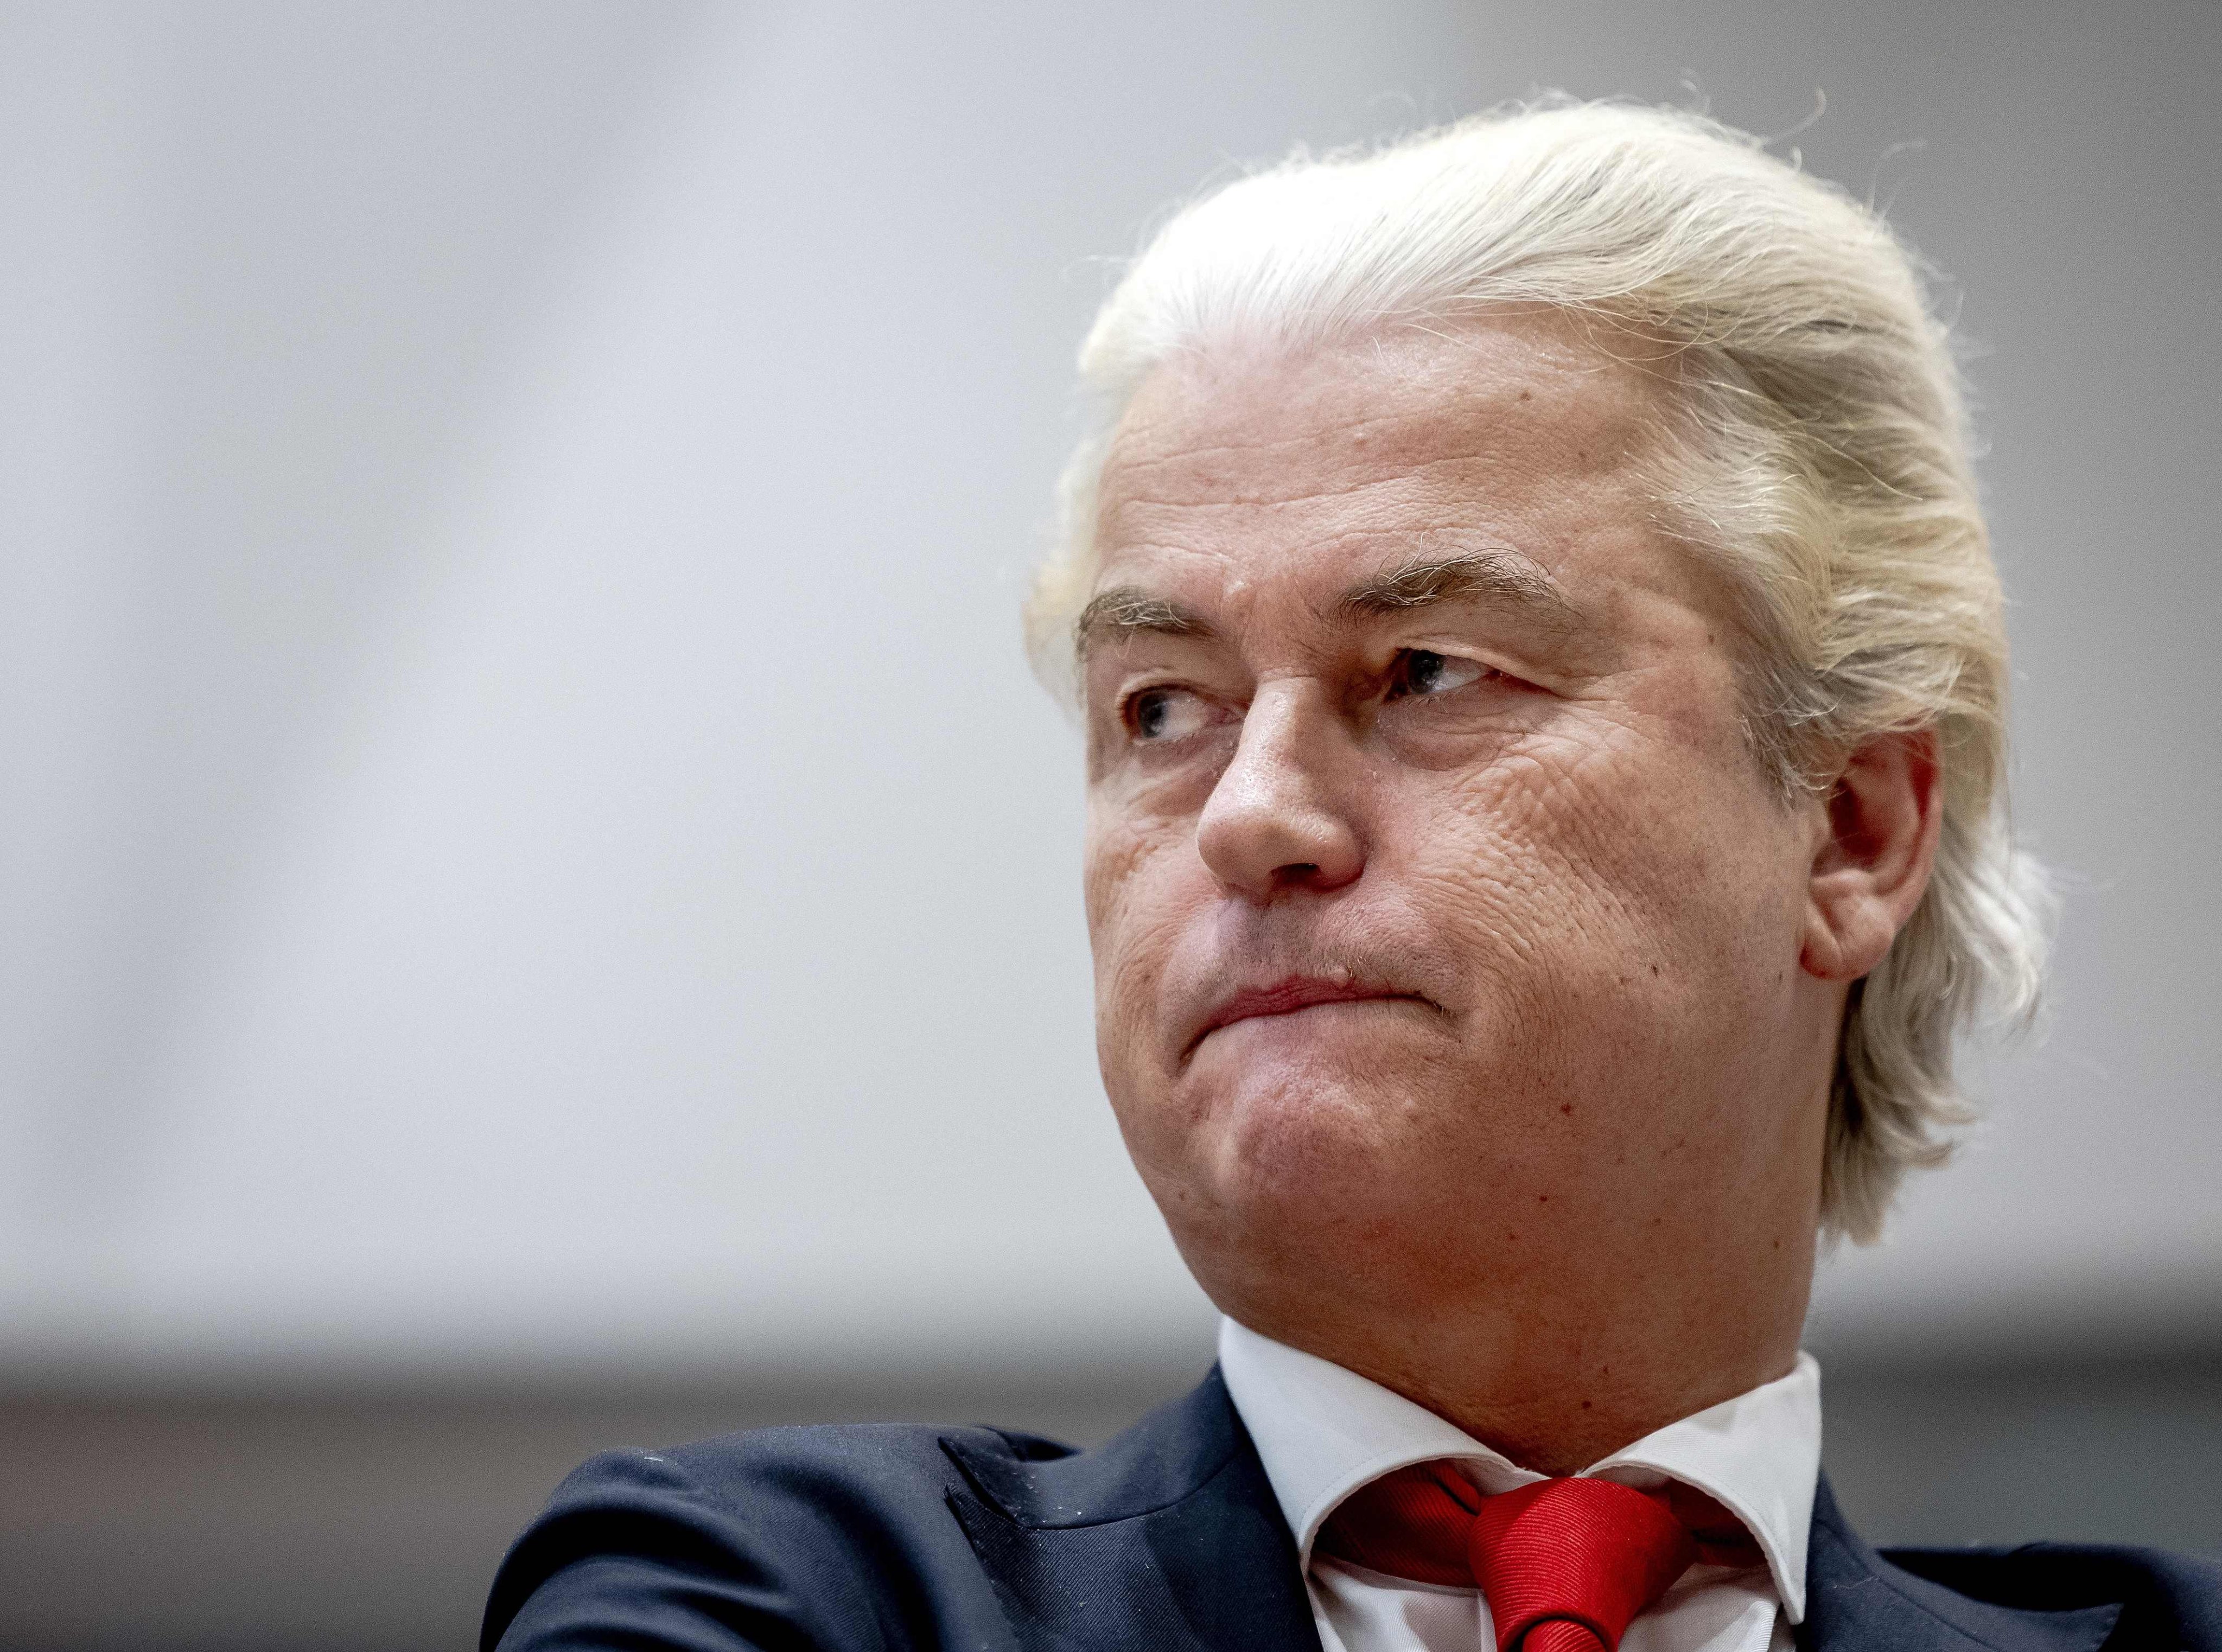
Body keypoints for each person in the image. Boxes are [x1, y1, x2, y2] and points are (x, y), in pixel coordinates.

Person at [480, 101, 2220, 1652]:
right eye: (1162, 708)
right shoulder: (786, 1603)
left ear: (1850, 830)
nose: (1250, 816)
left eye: (1431, 671)